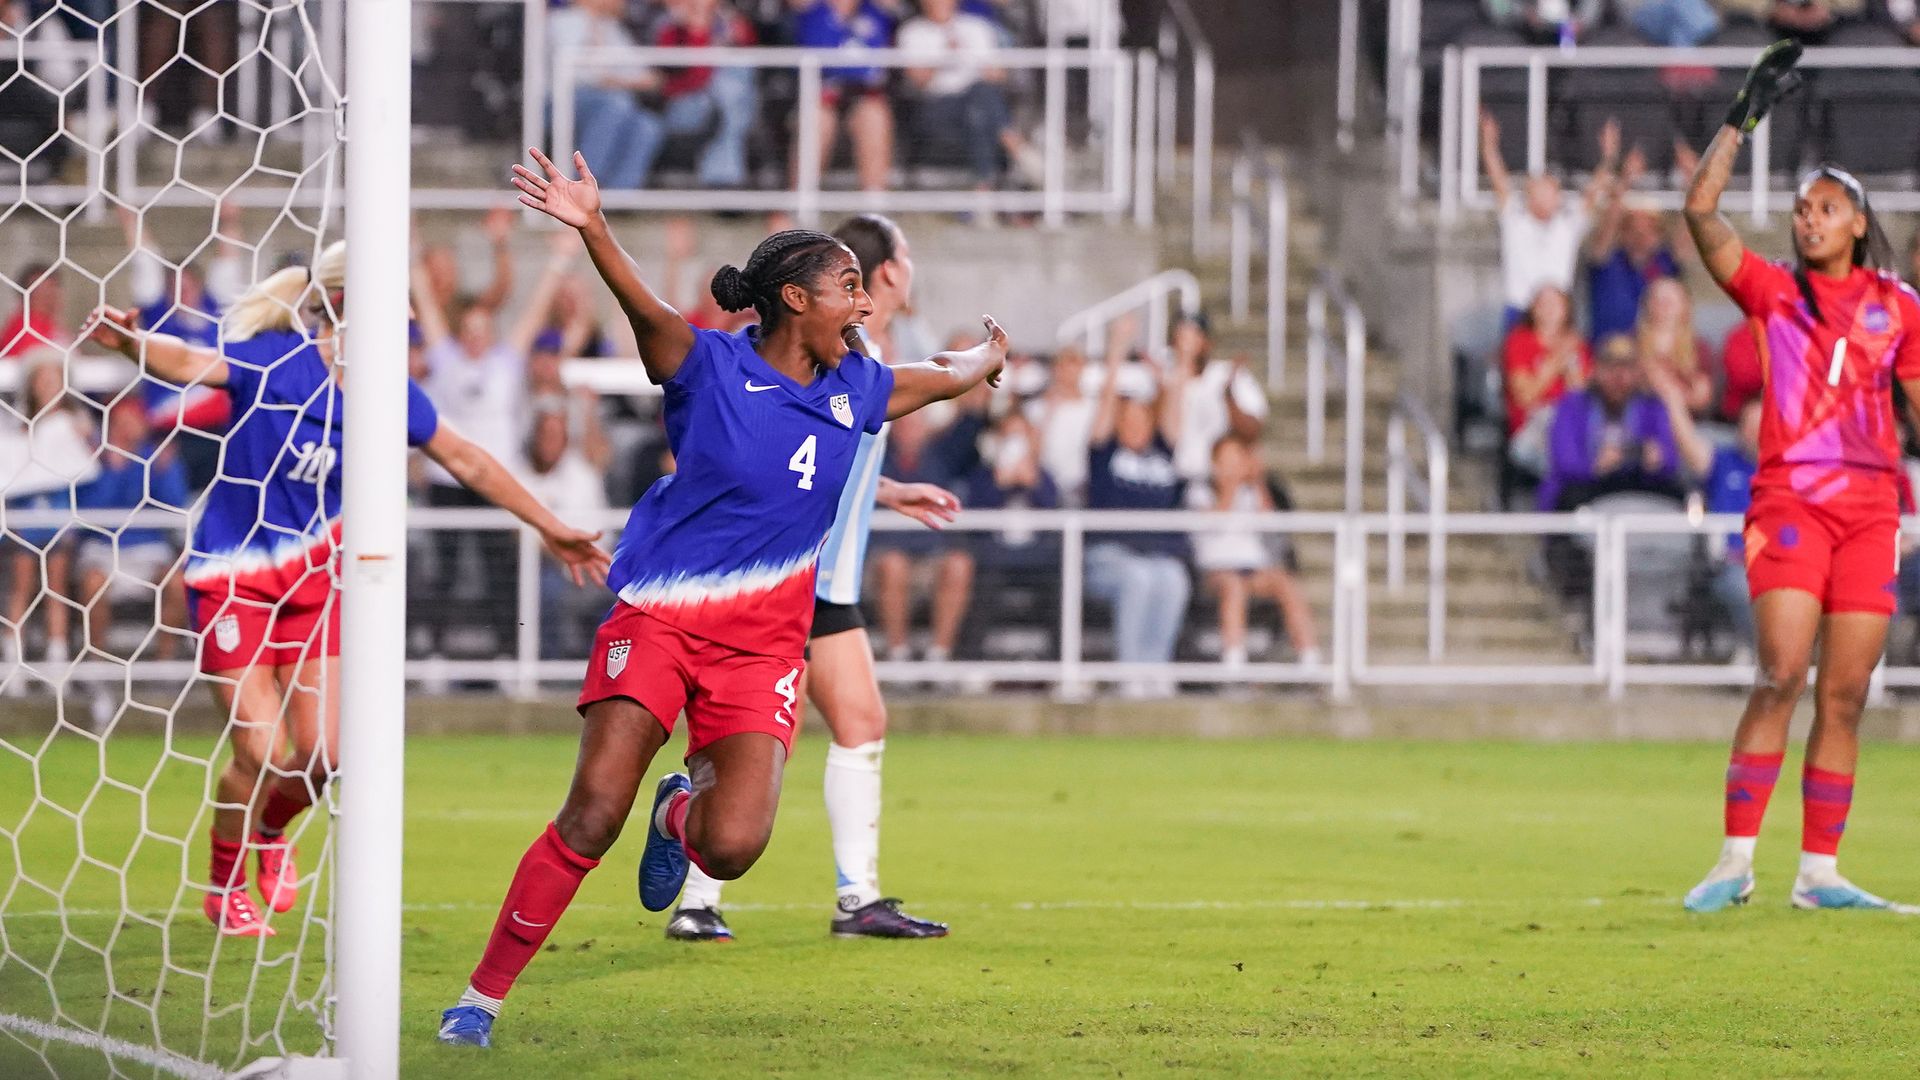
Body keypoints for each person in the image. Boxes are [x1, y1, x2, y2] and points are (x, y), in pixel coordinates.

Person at [437, 149, 1006, 1048]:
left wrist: (988, 357)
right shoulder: (704, 364)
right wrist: (591, 226)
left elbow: (938, 372)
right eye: (848, 288)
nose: (864, 304)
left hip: (761, 651)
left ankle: (679, 811)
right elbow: (639, 303)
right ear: (794, 300)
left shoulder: (856, 386)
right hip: (658, 618)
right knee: (591, 814)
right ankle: (480, 997)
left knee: (733, 845)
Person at [84, 242, 610, 938]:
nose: (403, 320)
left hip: (313, 584)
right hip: (230, 578)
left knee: (327, 754)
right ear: (343, 303)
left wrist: (549, 525)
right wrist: (130, 344)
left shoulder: (386, 391)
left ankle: (270, 834)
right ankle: (222, 887)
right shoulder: (274, 358)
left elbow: (467, 458)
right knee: (263, 755)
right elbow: (185, 363)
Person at [668, 213, 971, 943]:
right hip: (794, 578)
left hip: (827, 584)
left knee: (859, 723)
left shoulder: (862, 349)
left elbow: (829, 460)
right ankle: (699, 893)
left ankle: (852, 899)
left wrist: (891, 494)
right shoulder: (847, 352)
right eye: (899, 259)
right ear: (893, 271)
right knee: (765, 739)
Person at [1677, 41, 1920, 914]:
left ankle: (1818, 874)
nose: (1806, 218)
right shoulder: (1774, 294)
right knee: (1782, 671)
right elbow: (1701, 213)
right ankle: (1733, 861)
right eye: (1801, 208)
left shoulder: (1900, 308)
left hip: (1870, 511)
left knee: (1847, 693)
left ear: (1857, 223)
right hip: (1790, 504)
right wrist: (1741, 121)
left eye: (1824, 208)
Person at [412, 232, 579, 664]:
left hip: (492, 479)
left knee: (499, 570)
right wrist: (412, 249)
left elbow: (535, 310)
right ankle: (436, 657)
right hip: (446, 478)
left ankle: (507, 655)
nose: (474, 336)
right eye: (468, 329)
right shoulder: (445, 358)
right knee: (444, 571)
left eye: (481, 329)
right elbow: (427, 303)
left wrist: (558, 261)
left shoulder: (505, 362)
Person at [1084, 343, 1189, 697]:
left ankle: (1156, 669)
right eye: (1127, 419)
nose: (1134, 426)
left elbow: (1175, 409)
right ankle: (1130, 672)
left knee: (1174, 579)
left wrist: (1169, 375)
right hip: (1108, 556)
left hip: (1154, 556)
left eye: (1141, 419)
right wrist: (1116, 351)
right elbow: (1104, 406)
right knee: (1139, 579)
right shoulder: (1104, 454)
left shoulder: (1161, 453)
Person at [1650, 365, 1761, 655]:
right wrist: (1673, 398)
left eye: (1762, 425)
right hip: (1732, 565)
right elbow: (1687, 442)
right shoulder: (1722, 462)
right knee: (1746, 588)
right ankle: (1761, 657)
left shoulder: (1792, 470)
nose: (1755, 433)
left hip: (1782, 565)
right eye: (1748, 426)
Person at [0, 350, 97, 677]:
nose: (48, 385)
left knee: (57, 589)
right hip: (25, 518)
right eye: (42, 379)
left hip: (59, 516)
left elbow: (89, 464)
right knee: (22, 587)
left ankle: (58, 667)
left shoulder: (73, 423)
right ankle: (15, 667)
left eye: (54, 378)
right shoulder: (17, 424)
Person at [1190, 434, 1320, 669]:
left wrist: (1258, 481)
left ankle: (1309, 655)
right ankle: (1234, 659)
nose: (1233, 467)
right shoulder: (1199, 492)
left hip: (1252, 568)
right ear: (1214, 465)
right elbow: (1212, 524)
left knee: (1286, 583)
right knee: (1233, 586)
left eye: (1237, 460)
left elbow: (1270, 526)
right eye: (1227, 461)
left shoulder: (1251, 492)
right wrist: (1229, 489)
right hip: (1215, 571)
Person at [1481, 113, 1618, 329]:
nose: (1545, 197)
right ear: (1528, 196)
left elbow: (1592, 195)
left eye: (1550, 192)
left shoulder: (1568, 226)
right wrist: (1489, 146)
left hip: (1559, 312)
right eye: (1538, 191)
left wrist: (1608, 158)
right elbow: (1500, 183)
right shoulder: (1515, 222)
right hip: (1520, 309)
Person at [898, 0, 1040, 196]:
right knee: (980, 103)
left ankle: (984, 193)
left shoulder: (976, 27)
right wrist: (945, 55)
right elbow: (919, 81)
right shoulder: (913, 32)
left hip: (977, 100)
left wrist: (976, 62)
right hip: (936, 104)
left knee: (978, 109)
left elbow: (998, 74)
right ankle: (1018, 148)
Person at [1538, 333, 1678, 511]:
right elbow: (1564, 462)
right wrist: (1595, 465)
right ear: (1596, 370)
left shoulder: (1652, 407)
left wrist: (1658, 459)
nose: (1618, 378)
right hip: (1588, 483)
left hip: (1639, 481)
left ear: (1637, 372)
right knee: (1569, 496)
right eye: (1610, 368)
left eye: (1626, 369)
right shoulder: (1573, 405)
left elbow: (1671, 459)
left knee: (1680, 496)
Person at [549, 0, 666, 190]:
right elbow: (578, 76)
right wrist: (618, 82)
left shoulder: (610, 27)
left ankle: (619, 195)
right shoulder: (562, 22)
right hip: (562, 100)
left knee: (647, 125)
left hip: (608, 100)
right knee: (616, 104)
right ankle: (581, 185)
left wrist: (639, 79)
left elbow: (639, 70)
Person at [791, 0, 896, 193]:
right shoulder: (811, 9)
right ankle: (800, 198)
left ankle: (874, 202)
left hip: (865, 93)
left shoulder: (875, 10)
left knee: (874, 116)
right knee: (818, 120)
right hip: (821, 93)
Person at [654, 0, 760, 189]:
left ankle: (724, 180)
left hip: (730, 105)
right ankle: (725, 182)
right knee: (730, 101)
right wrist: (698, 32)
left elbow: (753, 67)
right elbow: (695, 79)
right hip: (683, 108)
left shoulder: (728, 24)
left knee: (734, 93)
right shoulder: (670, 30)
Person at [1584, 147, 1681, 344]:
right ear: (1622, 233)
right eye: (1633, 229)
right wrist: (1625, 180)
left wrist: (1694, 181)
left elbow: (1690, 235)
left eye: (1649, 229)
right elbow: (1607, 228)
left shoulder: (1665, 262)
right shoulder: (1607, 261)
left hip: (1652, 356)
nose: (1641, 236)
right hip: (1608, 357)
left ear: (1659, 234)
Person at [1167, 311, 1266, 487]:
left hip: (1226, 483)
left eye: (1194, 336)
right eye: (1180, 337)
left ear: (1207, 341)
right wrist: (1183, 366)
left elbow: (1253, 430)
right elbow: (1172, 434)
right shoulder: (1167, 380)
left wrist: (1228, 396)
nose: (1186, 344)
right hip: (1185, 483)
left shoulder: (1227, 374)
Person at [1501, 285, 1590, 477]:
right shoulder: (1519, 341)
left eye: (1555, 303)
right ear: (1532, 308)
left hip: (1570, 425)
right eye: (1542, 303)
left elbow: (1582, 397)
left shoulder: (1576, 345)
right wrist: (1555, 363)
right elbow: (1524, 397)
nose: (1549, 309)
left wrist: (1571, 369)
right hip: (1532, 429)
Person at [1634, 277, 1714, 418]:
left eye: (1670, 301)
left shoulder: (1699, 347)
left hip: (1687, 421)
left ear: (1685, 305)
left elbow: (1702, 398)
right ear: (1647, 305)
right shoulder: (1631, 343)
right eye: (1658, 300)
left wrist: (1671, 392)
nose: (1664, 306)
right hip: (1641, 417)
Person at [2, 261, 68, 358]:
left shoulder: (52, 326)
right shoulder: (24, 329)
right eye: (45, 290)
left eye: (55, 287)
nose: (54, 294)